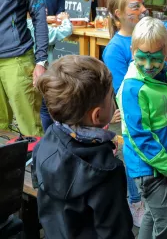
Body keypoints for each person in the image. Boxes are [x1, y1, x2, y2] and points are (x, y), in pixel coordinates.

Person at [32, 55, 134, 239]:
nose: (114, 101)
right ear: (97, 116)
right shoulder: (106, 170)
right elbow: (116, 231)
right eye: (111, 97)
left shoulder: (47, 139)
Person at [117, 17, 167, 239]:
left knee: (151, 213)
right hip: (148, 168)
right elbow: (140, 136)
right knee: (165, 223)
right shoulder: (133, 87)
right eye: (142, 57)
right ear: (132, 51)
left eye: (155, 59)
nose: (148, 66)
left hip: (163, 162)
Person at [103, 0, 148, 227]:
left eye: (142, 5)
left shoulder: (144, 36)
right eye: (135, 6)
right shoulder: (115, 49)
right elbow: (122, 92)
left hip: (153, 113)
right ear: (118, 13)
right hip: (135, 116)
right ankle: (135, 201)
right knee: (132, 158)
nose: (143, 9)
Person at [0, 0, 48, 136]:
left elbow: (39, 15)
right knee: (1, 127)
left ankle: (37, 168)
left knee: (30, 128)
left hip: (17, 59)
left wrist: (40, 61)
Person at [27, 12, 73, 131]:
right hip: (43, 72)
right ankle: (55, 134)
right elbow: (64, 31)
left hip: (29, 71)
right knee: (50, 106)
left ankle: (47, 135)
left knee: (42, 107)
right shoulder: (37, 27)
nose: (45, 9)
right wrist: (65, 19)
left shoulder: (22, 24)